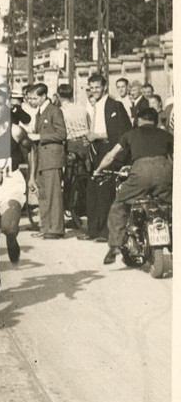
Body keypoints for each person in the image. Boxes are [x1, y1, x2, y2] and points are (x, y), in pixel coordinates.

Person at [94, 108, 173, 265]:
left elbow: (111, 155)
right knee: (171, 204)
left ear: (138, 120)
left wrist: (98, 170)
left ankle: (115, 245)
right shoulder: (167, 135)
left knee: (119, 205)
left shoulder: (130, 134)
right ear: (155, 121)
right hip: (164, 170)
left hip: (141, 171)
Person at [0, 85, 34, 295]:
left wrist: (32, 178)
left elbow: (30, 150)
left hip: (11, 180)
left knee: (9, 227)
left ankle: (12, 239)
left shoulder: (15, 130)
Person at [81, 75, 133, 242]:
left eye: (97, 87)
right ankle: (92, 230)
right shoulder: (92, 106)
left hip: (108, 150)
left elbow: (121, 133)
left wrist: (96, 135)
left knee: (105, 191)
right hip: (94, 150)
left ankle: (105, 232)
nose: (94, 91)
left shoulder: (114, 105)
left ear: (104, 87)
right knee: (93, 190)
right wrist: (89, 137)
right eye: (91, 88)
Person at [27, 83, 67, 240]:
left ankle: (56, 228)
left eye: (35, 97)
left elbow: (62, 134)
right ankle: (46, 226)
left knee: (53, 195)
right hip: (42, 159)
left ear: (44, 97)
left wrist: (40, 137)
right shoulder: (40, 112)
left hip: (52, 159)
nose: (32, 100)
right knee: (43, 194)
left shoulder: (54, 111)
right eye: (31, 97)